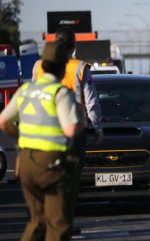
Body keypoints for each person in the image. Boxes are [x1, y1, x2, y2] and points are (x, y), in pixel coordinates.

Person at [0, 42, 85, 241]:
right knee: (58, 224)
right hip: (51, 164)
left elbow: (3, 120)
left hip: (26, 164)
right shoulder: (60, 93)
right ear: (63, 67)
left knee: (37, 221)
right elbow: (70, 129)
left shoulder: (26, 90)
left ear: (42, 65)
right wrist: (82, 124)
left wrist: (21, 136)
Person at [32, 26, 104, 146]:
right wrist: (98, 129)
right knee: (72, 163)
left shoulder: (38, 66)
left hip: (44, 126)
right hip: (73, 128)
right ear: (74, 46)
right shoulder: (80, 68)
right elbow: (91, 102)